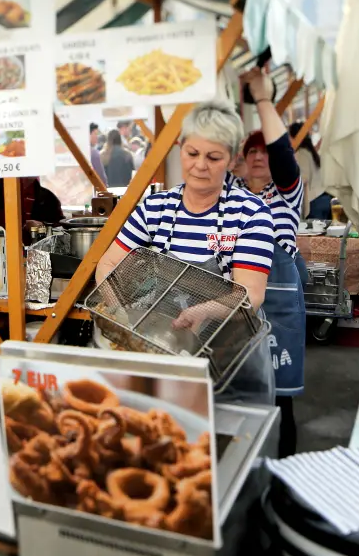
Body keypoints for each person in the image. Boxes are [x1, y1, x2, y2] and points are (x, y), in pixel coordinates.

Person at [96, 101, 276, 400]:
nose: (200, 165)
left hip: (229, 364)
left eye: (214, 157)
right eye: (192, 153)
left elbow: (251, 294)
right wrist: (120, 315)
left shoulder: (250, 214)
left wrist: (202, 311)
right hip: (162, 353)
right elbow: (108, 266)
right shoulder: (155, 208)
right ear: (180, 149)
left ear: (232, 160)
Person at [236, 69, 307, 457]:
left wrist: (263, 100)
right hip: (237, 307)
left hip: (279, 311)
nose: (261, 157)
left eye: (264, 152)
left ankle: (285, 470)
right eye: (252, 152)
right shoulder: (230, 200)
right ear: (243, 162)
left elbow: (284, 155)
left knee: (281, 401)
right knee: (239, 395)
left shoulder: (287, 196)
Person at [289, 122, 330, 219]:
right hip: (324, 197)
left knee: (315, 234)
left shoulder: (301, 153)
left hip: (314, 201)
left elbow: (303, 177)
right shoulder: (310, 151)